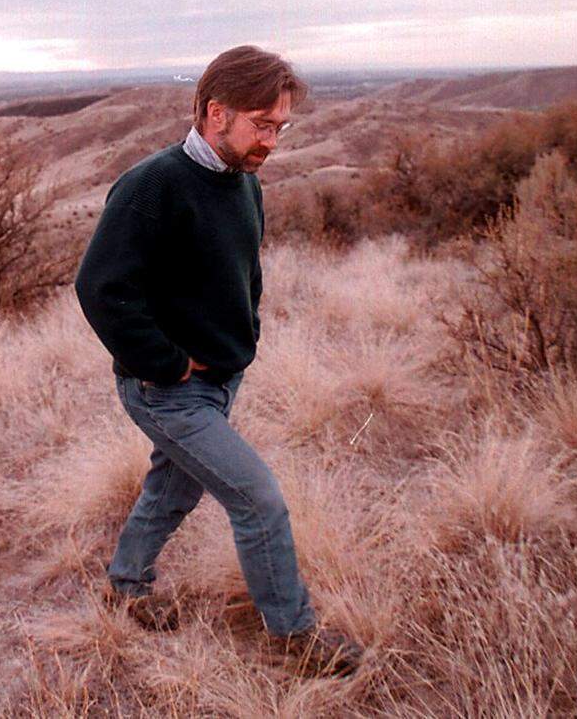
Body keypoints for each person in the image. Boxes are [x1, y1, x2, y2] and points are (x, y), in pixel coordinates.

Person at [73, 45, 362, 677]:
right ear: (215, 113)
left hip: (220, 381)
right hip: (167, 389)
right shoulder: (152, 186)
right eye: (262, 124)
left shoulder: (244, 184)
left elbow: (243, 273)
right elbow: (100, 288)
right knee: (259, 501)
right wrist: (168, 363)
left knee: (173, 490)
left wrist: (242, 337)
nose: (272, 140)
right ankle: (294, 637)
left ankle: (124, 586)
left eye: (280, 126)